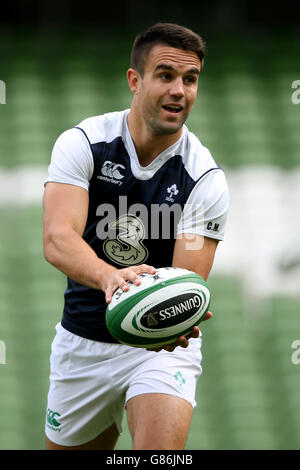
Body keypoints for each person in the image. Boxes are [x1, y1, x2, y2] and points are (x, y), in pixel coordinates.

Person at [43, 22, 229, 450]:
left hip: (158, 349)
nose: (179, 90)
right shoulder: (83, 143)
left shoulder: (205, 179)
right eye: (166, 75)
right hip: (82, 342)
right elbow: (57, 238)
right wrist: (111, 277)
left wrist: (180, 317)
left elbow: (187, 278)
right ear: (135, 80)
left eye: (190, 79)